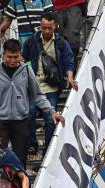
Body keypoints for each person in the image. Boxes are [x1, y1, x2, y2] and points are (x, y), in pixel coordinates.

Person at [0, 38, 65, 165]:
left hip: (21, 121)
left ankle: (22, 184)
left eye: (16, 57)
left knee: (20, 159)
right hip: (0, 121)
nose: (12, 61)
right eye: (9, 57)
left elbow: (38, 96)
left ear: (20, 54)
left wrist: (52, 111)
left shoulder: (27, 71)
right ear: (3, 54)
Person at [22, 12, 76, 156]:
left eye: (49, 28)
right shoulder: (31, 41)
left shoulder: (61, 43)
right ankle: (32, 144)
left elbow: (69, 61)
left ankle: (48, 150)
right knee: (30, 113)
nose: (46, 31)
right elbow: (23, 58)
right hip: (33, 85)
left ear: (54, 27)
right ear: (40, 26)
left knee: (50, 118)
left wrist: (70, 78)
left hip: (51, 86)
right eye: (44, 28)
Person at [53, 0, 87, 68]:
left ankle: (71, 72)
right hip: (57, 7)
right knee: (58, 41)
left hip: (74, 5)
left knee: (72, 40)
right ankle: (64, 72)